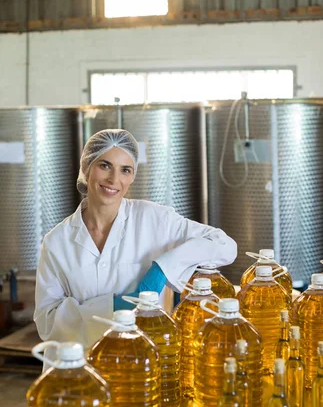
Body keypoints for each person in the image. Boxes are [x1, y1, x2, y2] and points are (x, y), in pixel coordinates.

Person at [34, 129, 237, 351]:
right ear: (86, 168)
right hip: (80, 368)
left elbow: (224, 245)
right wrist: (111, 307)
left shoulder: (154, 219)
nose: (114, 179)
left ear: (132, 177)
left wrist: (162, 269)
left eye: (125, 170)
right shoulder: (57, 242)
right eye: (105, 165)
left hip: (141, 364)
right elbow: (46, 322)